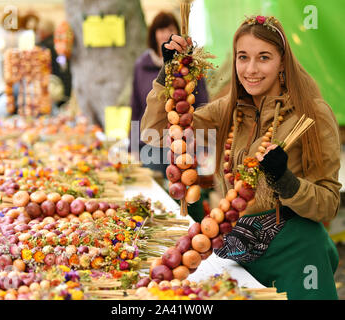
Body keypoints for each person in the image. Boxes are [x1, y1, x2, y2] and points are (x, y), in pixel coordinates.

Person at [141, 15, 341, 300]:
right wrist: (168, 75)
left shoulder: (312, 114)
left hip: (297, 254)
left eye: (263, 58)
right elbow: (156, 134)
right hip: (238, 251)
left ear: (282, 62)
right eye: (242, 57)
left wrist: (287, 183)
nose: (251, 69)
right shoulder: (229, 111)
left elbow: (330, 203)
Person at [130, 11, 208, 176]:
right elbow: (136, 108)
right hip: (152, 142)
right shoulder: (142, 66)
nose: (166, 34)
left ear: (177, 32)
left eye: (170, 29)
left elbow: (202, 103)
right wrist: (134, 146)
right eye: (161, 30)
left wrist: (205, 145)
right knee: (158, 191)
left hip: (186, 141)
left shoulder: (190, 64)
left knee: (186, 189)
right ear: (154, 34)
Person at [36, 19, 72, 105]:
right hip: (64, 87)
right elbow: (63, 66)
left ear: (42, 32)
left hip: (50, 89)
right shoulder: (60, 45)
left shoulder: (41, 48)